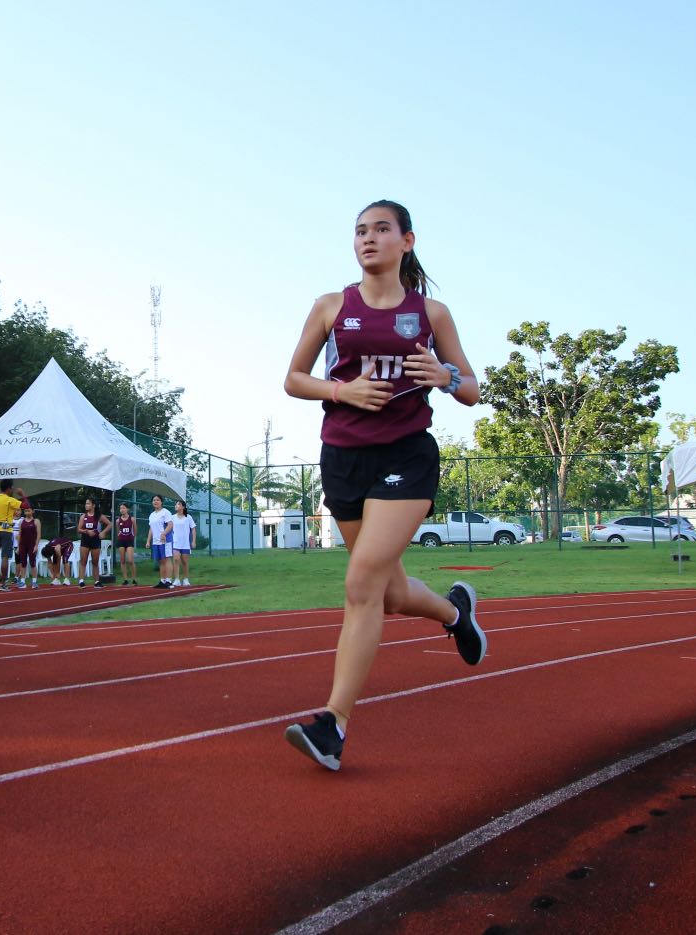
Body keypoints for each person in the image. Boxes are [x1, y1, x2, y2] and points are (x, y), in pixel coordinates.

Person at [278, 199, 487, 772]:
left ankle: (334, 724)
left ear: (407, 241)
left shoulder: (432, 314)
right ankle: (454, 614)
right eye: (360, 231)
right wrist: (342, 392)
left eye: (381, 230)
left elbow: (472, 388)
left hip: (406, 457)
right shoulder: (330, 306)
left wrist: (445, 377)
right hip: (343, 459)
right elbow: (294, 379)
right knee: (388, 595)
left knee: (361, 582)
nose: (368, 239)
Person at [0, 479, 24, 590]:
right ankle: (3, 584)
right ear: (8, 488)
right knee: (5, 558)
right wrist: (23, 495)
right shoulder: (10, 500)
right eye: (11, 488)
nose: (12, 489)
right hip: (6, 530)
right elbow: (26, 506)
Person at [75, 497, 112, 587]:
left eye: (88, 503)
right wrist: (86, 531)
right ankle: (81, 581)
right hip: (85, 540)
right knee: (83, 561)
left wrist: (103, 532)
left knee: (95, 561)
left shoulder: (99, 516)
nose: (86, 505)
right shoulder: (83, 516)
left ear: (93, 505)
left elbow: (110, 524)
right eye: (86, 503)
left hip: (95, 540)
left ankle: (97, 582)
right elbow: (79, 529)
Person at [146, 494, 174, 589]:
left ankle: (169, 581)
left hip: (165, 540)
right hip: (156, 541)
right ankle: (162, 581)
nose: (155, 501)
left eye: (157, 500)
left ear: (161, 502)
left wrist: (164, 534)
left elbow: (170, 525)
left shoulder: (165, 512)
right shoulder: (152, 515)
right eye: (154, 500)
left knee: (167, 559)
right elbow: (151, 529)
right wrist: (148, 541)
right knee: (161, 561)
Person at [168, 499, 197, 586]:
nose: (176, 506)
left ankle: (185, 579)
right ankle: (176, 579)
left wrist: (193, 541)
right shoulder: (172, 517)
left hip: (185, 544)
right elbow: (168, 529)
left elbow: (193, 529)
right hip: (175, 543)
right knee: (176, 560)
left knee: (185, 562)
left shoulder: (188, 517)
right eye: (176, 504)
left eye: (178, 504)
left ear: (183, 507)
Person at [15, 504, 42, 588]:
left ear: (33, 511)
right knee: (23, 563)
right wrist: (19, 547)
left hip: (32, 545)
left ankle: (34, 581)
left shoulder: (36, 521)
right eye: (25, 511)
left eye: (29, 511)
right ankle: (23, 581)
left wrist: (36, 545)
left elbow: (38, 535)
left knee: (32, 562)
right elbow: (19, 535)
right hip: (23, 545)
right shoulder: (21, 522)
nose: (27, 512)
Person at [114, 503, 138, 585]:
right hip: (121, 541)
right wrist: (120, 536)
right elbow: (118, 531)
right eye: (121, 508)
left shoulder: (132, 519)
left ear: (127, 509)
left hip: (129, 541)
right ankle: (125, 580)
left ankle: (134, 579)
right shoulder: (118, 520)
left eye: (124, 508)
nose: (122, 510)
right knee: (122, 561)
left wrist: (132, 537)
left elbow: (135, 530)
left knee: (130, 560)